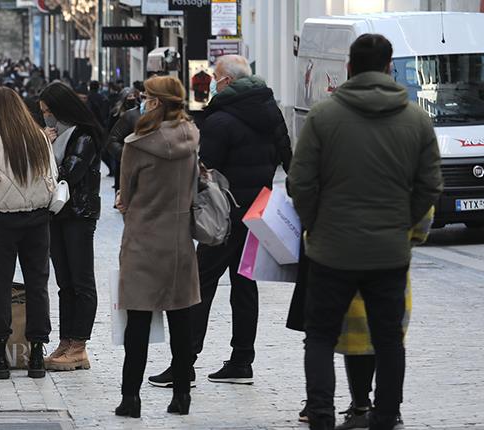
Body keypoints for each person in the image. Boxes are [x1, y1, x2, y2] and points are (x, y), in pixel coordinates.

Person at [289, 34, 442, 430]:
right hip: (388, 251)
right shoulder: (416, 119)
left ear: (349, 68)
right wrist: (401, 223)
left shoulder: (323, 117)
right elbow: (429, 187)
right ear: (390, 67)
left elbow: (300, 183)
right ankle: (385, 417)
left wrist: (316, 225)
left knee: (320, 337)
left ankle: (321, 416)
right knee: (388, 339)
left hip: (330, 250)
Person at [147, 54, 293, 387]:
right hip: (257, 212)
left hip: (222, 216)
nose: (213, 81)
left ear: (227, 80)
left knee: (198, 285)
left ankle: (184, 363)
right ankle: (242, 360)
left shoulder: (221, 120)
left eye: (216, 77)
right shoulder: (272, 112)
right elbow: (289, 160)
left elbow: (202, 169)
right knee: (244, 284)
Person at [115, 76, 200, 419]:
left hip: (144, 240)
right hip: (179, 239)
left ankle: (130, 398)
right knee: (181, 321)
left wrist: (126, 202)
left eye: (147, 97)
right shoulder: (192, 138)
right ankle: (181, 396)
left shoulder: (137, 144)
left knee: (137, 324)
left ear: (154, 101)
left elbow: (126, 195)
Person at [0, 87, 56, 380]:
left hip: (3, 221)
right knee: (38, 284)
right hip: (37, 218)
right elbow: (52, 178)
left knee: (1, 284)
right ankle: (36, 354)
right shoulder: (39, 139)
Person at [37, 82, 105, 372]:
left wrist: (44, 147)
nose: (46, 117)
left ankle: (79, 345)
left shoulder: (82, 135)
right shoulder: (55, 136)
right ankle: (66, 342)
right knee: (64, 282)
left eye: (48, 111)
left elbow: (69, 173)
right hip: (56, 214)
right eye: (42, 112)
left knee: (81, 280)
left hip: (78, 213)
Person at [107, 88, 141, 193]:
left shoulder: (139, 113)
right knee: (120, 171)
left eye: (133, 96)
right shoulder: (117, 112)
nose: (131, 98)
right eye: (129, 96)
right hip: (123, 146)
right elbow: (112, 132)